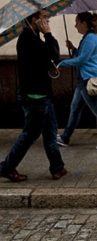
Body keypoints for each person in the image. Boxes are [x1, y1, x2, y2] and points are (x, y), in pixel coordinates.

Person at [0, 10, 67, 182]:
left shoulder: (33, 38)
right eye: (44, 17)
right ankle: (7, 167)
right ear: (34, 20)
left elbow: (43, 61)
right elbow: (53, 53)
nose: (47, 20)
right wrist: (49, 34)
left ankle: (57, 167)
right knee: (29, 135)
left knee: (50, 133)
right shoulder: (28, 39)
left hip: (43, 94)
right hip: (35, 96)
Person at [56, 12, 97, 150]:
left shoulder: (90, 38)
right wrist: (73, 48)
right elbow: (83, 55)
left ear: (84, 24)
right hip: (83, 79)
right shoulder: (88, 38)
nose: (75, 26)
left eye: (77, 22)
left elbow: (82, 59)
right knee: (75, 109)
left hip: (89, 79)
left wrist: (62, 63)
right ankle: (65, 138)